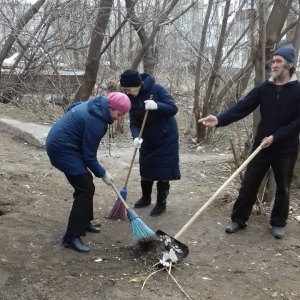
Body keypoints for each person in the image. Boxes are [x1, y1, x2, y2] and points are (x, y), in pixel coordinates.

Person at [199, 44, 300, 239]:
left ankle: (278, 223)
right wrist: (219, 119)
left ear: (290, 65)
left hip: (286, 148)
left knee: (283, 188)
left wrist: (276, 137)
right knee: (249, 183)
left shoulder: (297, 91)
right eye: (273, 61)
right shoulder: (265, 87)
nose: (274, 64)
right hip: (261, 146)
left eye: (279, 61)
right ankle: (238, 219)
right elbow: (242, 107)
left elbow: (298, 122)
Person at [46, 92, 131, 253]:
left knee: (86, 182)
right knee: (85, 188)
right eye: (118, 114)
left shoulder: (96, 105)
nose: (118, 118)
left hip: (61, 142)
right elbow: (88, 156)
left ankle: (84, 221)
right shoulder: (97, 123)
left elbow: (73, 107)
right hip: (61, 149)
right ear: (111, 107)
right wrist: (103, 173)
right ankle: (71, 237)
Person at [119, 69, 181, 216]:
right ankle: (146, 198)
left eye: (128, 89)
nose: (127, 92)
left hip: (166, 137)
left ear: (138, 84)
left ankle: (161, 204)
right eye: (125, 90)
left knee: (163, 172)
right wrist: (136, 137)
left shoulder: (157, 89)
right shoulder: (132, 100)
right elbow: (134, 122)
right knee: (146, 169)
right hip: (146, 137)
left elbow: (173, 108)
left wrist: (157, 105)